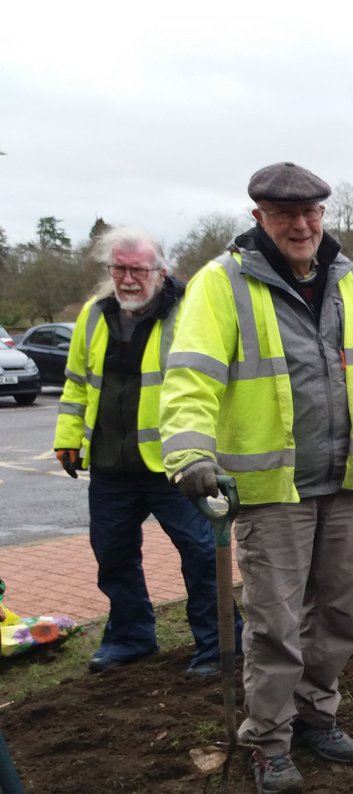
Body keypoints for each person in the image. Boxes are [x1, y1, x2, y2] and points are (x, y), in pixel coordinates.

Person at [160, 162, 353, 794]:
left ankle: (317, 715)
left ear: (324, 214)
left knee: (341, 612)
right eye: (284, 214)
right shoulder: (224, 284)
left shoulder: (350, 280)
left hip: (346, 480)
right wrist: (189, 453)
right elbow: (191, 375)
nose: (301, 225)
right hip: (272, 490)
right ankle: (268, 739)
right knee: (274, 621)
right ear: (257, 216)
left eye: (312, 213)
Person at [54, 227, 240, 678]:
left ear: (161, 271)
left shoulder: (186, 313)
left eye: (138, 269)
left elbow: (206, 383)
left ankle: (220, 648)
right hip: (111, 466)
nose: (128, 278)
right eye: (119, 268)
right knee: (112, 553)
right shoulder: (94, 316)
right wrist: (67, 436)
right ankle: (131, 638)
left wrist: (204, 451)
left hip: (173, 465)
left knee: (200, 552)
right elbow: (78, 384)